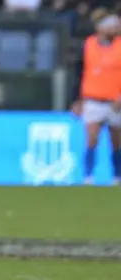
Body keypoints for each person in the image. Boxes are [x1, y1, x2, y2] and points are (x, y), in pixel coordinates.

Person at [71, 14, 121, 185]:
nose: (117, 29)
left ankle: (116, 177)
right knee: (91, 139)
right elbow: (78, 74)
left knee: (117, 142)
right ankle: (88, 177)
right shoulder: (88, 45)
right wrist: (77, 99)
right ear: (102, 28)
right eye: (113, 26)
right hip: (92, 99)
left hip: (115, 102)